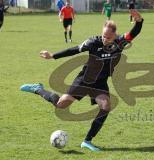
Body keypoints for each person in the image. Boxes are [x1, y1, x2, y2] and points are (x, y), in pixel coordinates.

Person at [20, 9, 143, 151]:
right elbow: (74, 49)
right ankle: (38, 89)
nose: (105, 39)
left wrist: (139, 20)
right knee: (60, 105)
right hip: (84, 80)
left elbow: (134, 32)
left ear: (114, 35)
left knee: (106, 107)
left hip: (100, 83)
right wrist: (53, 55)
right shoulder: (93, 42)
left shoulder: (119, 43)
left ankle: (87, 141)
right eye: (103, 36)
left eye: (108, 37)